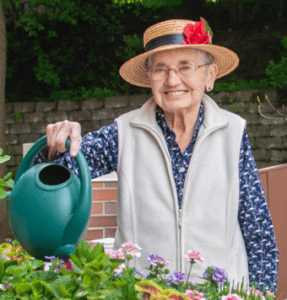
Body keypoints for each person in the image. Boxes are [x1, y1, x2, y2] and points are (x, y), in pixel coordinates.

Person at [34, 19, 279, 292]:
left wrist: (262, 296)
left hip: (222, 295)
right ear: (149, 79)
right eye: (161, 69)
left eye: (185, 66)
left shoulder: (233, 133)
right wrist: (54, 146)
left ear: (209, 75)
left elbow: (260, 236)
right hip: (144, 294)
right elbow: (58, 177)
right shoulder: (123, 132)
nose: (172, 80)